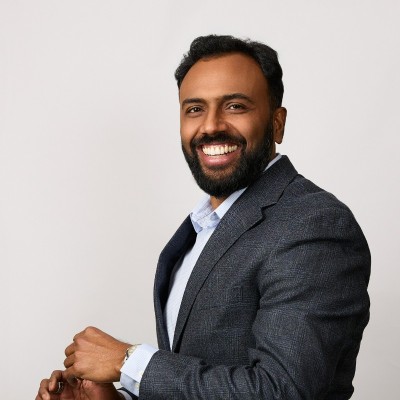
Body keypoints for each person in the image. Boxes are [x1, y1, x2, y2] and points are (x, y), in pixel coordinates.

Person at [36, 35, 370, 400]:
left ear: (277, 123)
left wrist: (130, 362)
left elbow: (283, 390)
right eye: (195, 109)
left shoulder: (314, 225)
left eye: (235, 106)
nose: (210, 126)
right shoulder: (203, 229)